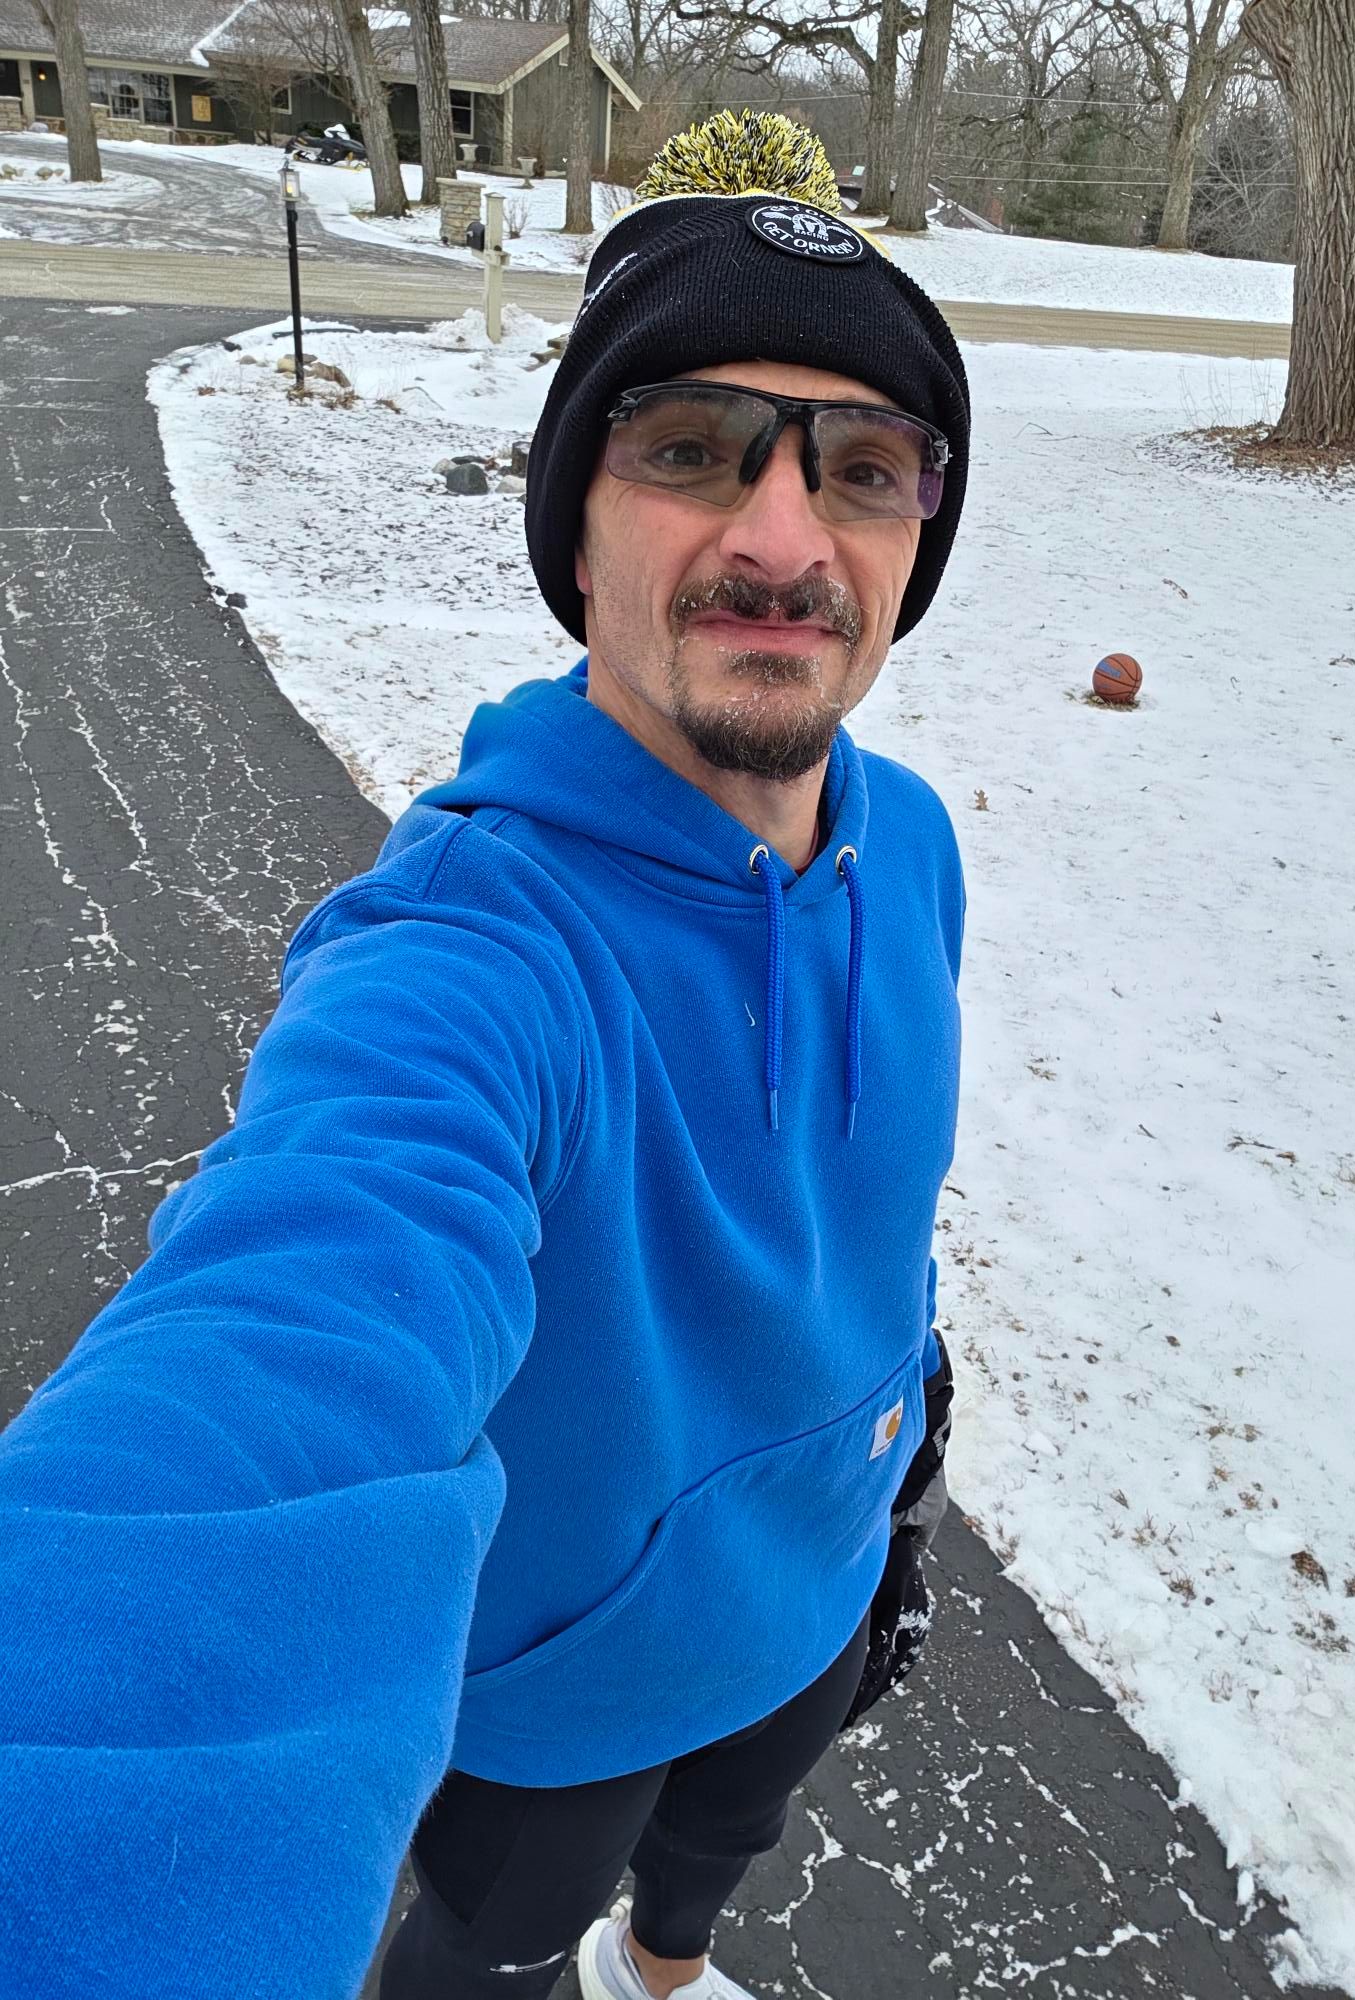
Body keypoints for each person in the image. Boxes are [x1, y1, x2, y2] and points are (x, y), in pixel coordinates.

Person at [0, 112, 969, 2000]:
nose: (785, 540)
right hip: (559, 1692)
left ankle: (663, 1977)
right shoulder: (472, 951)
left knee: (713, 1872)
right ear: (572, 528)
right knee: (485, 1957)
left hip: (825, 1578)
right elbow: (297, 1318)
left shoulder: (911, 842)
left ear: (912, 539)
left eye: (862, 468)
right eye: (689, 447)